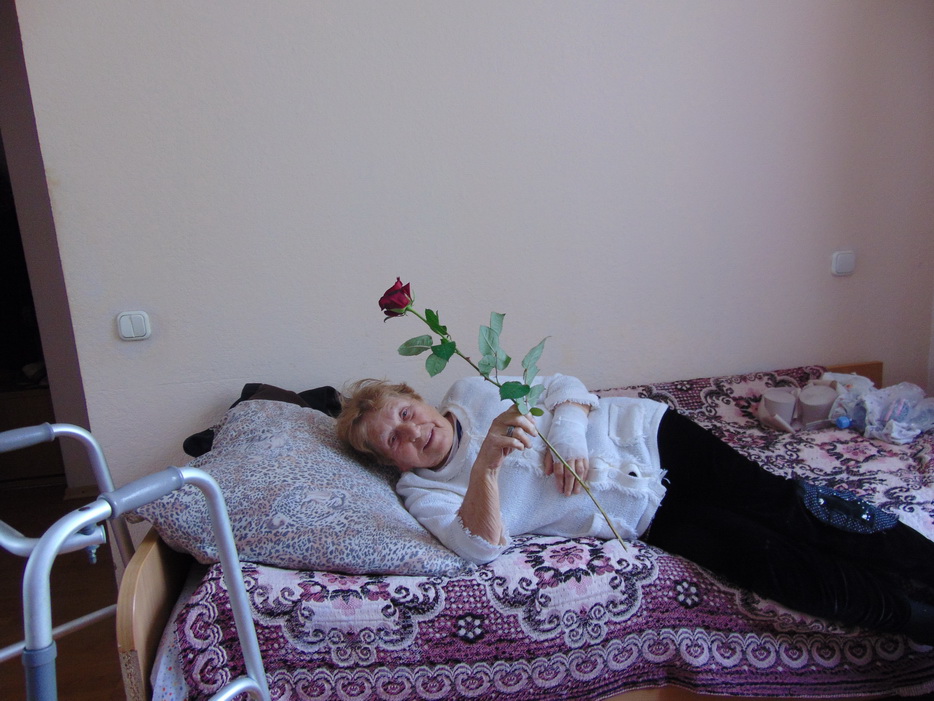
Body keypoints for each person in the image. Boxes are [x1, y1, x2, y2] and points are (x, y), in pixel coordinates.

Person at [336, 372, 934, 644]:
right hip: (644, 517)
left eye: (406, 414)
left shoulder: (471, 388)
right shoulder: (423, 494)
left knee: (789, 506)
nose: (411, 432)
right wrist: (486, 464)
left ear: (417, 398)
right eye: (393, 439)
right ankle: (915, 618)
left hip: (650, 436)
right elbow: (479, 545)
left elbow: (564, 386)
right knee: (767, 560)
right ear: (391, 463)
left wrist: (568, 435)